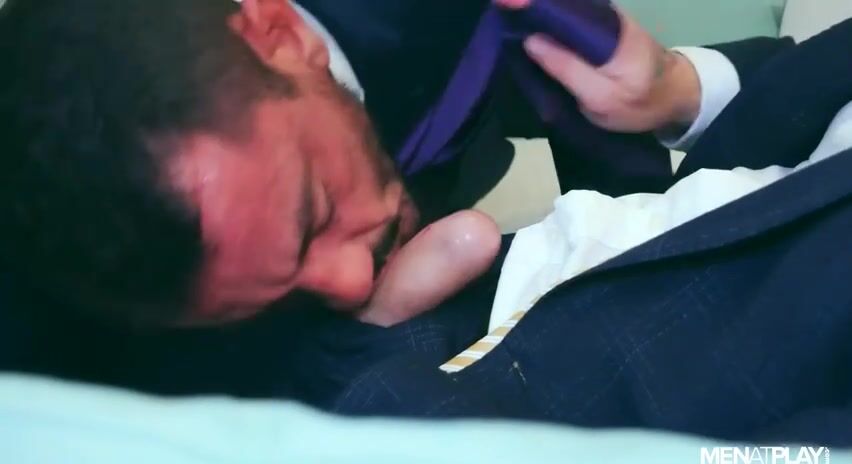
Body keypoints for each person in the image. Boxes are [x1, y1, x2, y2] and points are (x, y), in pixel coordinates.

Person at [1, 0, 850, 446]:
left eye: (315, 211)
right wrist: (673, 93)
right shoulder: (49, 353)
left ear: (280, 34)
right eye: (249, 297)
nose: (349, 283)